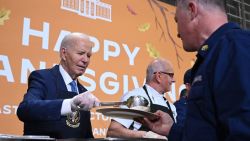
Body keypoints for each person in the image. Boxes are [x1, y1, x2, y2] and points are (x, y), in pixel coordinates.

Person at [143, 0, 250, 140]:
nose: (177, 33)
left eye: (177, 21)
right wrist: (172, 130)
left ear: (192, 10)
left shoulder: (237, 47)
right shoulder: (215, 54)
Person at [17, 32, 100, 139]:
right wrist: (70, 104)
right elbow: (25, 109)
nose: (85, 60)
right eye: (80, 53)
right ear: (64, 53)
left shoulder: (83, 91)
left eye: (88, 56)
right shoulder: (42, 77)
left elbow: (86, 135)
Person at [106, 58, 177, 139]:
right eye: (171, 75)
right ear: (159, 76)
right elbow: (113, 131)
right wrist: (145, 135)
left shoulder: (171, 106)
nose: (174, 80)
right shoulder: (136, 97)